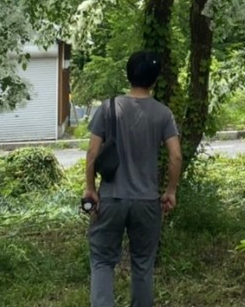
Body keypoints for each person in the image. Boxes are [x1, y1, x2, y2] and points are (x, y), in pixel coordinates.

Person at [83, 50, 182, 307]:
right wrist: (170, 191)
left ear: (128, 74)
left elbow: (92, 152)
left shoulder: (108, 108)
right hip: (147, 202)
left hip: (112, 199)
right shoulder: (163, 114)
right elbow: (176, 157)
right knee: (142, 264)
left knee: (103, 261)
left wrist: (90, 189)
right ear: (155, 79)